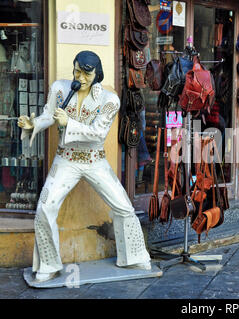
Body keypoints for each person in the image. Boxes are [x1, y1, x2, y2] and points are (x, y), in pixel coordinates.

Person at [18, 51, 151, 282]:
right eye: (77, 70)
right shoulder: (60, 88)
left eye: (86, 73)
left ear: (96, 74)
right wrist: (34, 124)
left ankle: (134, 256)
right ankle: (49, 264)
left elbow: (98, 133)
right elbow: (49, 114)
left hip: (94, 160)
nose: (80, 76)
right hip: (66, 158)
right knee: (44, 208)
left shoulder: (109, 100)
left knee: (124, 207)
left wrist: (69, 122)